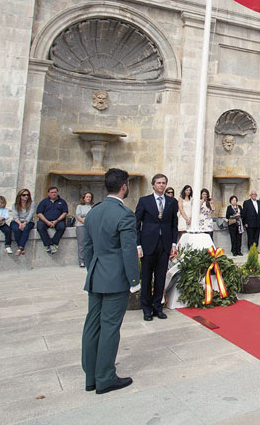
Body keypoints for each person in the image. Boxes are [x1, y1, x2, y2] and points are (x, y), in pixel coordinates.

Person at [81, 167, 140, 394]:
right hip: (115, 279)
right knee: (110, 328)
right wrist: (134, 279)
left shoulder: (94, 212)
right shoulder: (124, 214)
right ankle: (105, 377)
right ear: (124, 186)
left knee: (92, 326)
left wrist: (93, 271)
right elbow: (128, 250)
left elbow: (88, 249)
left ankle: (91, 376)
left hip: (96, 276)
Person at [135, 173, 178, 321]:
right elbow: (137, 224)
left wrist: (173, 243)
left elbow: (174, 225)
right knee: (146, 277)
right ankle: (146, 309)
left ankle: (157, 307)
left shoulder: (172, 202)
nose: (161, 185)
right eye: (158, 183)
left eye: (163, 183)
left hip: (164, 244)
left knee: (160, 277)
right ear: (153, 185)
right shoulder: (144, 201)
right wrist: (138, 244)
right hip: (148, 244)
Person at [36, 186, 69, 254]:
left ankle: (54, 243)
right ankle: (48, 244)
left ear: (57, 193)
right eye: (52, 192)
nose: (53, 194)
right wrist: (47, 222)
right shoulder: (44, 202)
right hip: (45, 221)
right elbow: (39, 213)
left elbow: (65, 212)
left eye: (55, 192)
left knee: (62, 227)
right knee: (40, 226)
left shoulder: (62, 202)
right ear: (48, 193)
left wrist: (56, 220)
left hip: (58, 220)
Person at [10, 189, 34, 256]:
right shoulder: (15, 205)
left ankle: (20, 248)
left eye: (27, 195)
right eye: (24, 195)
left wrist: (24, 223)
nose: (26, 196)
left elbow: (30, 215)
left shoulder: (31, 203)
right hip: (17, 221)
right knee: (16, 229)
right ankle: (21, 247)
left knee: (26, 229)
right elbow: (15, 216)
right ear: (20, 196)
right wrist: (20, 224)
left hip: (28, 221)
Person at [75, 192, 94, 268]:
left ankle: (89, 259)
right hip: (81, 226)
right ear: (83, 198)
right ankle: (81, 260)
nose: (88, 198)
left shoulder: (92, 206)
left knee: (90, 243)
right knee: (81, 244)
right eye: (87, 197)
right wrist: (86, 222)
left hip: (90, 226)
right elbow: (78, 216)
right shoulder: (79, 206)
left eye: (90, 197)